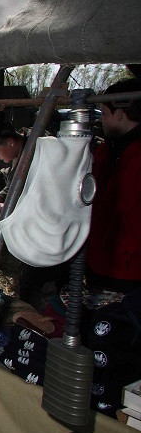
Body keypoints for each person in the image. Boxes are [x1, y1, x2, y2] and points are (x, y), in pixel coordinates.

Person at [87, 77, 141, 292]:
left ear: (120, 113)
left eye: (104, 114)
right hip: (100, 259)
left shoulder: (136, 157)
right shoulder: (105, 152)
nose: (101, 121)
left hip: (129, 268)